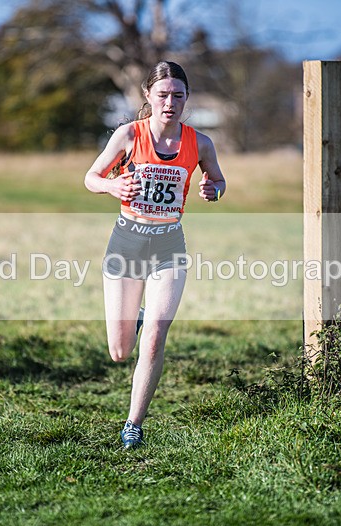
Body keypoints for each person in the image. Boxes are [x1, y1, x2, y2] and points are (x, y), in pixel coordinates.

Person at [84, 61, 227, 448]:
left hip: (168, 245)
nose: (170, 103)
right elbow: (91, 177)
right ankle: (137, 317)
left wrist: (214, 189)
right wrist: (113, 187)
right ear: (148, 95)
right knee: (120, 351)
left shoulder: (200, 143)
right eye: (162, 95)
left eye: (178, 96)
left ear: (186, 98)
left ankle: (133, 424)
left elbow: (217, 179)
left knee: (155, 337)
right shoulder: (129, 135)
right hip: (127, 243)